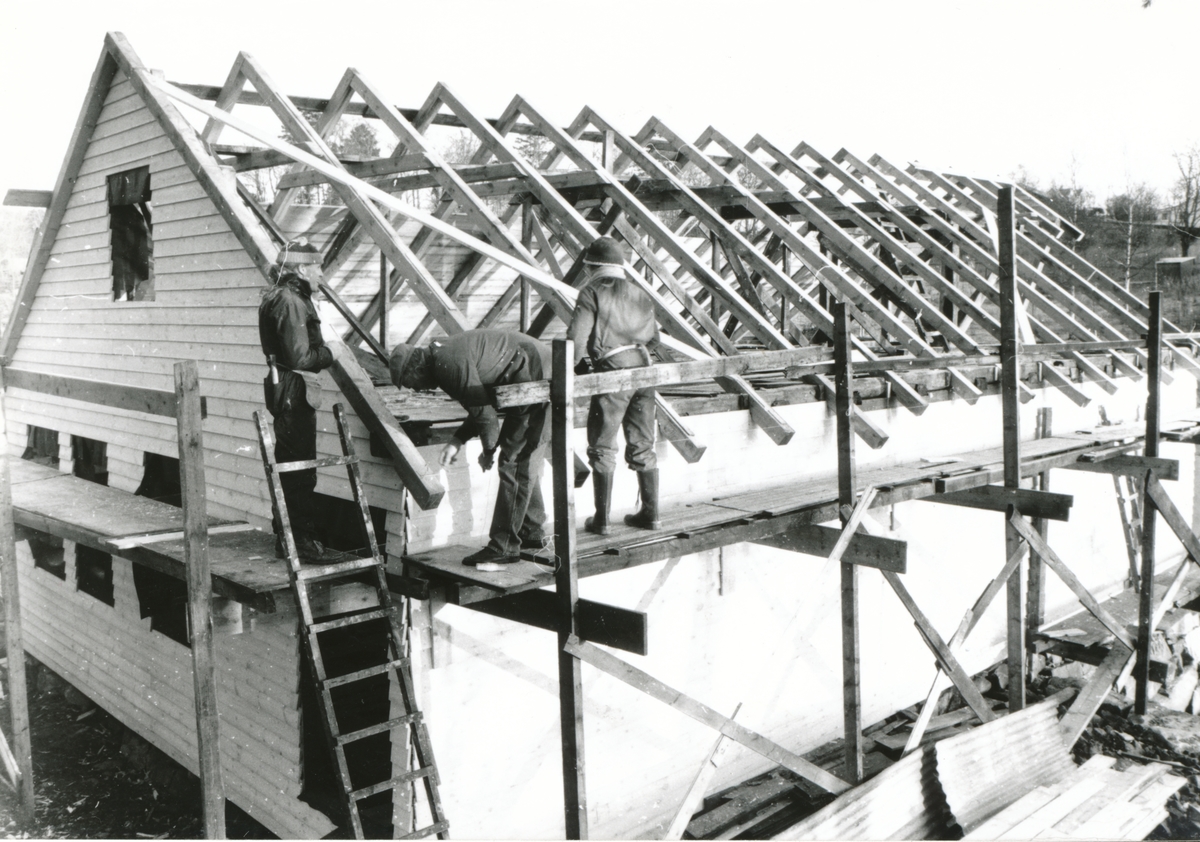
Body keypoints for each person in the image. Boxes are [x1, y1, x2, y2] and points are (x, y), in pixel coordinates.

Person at [389, 330, 552, 567]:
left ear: (416, 368)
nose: (416, 390)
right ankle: (531, 529)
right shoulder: (442, 354)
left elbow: (486, 417)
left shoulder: (447, 365)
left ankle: (504, 546)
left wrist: (488, 452)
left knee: (513, 463)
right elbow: (480, 404)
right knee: (521, 460)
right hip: (534, 372)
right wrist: (457, 441)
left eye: (410, 384)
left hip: (537, 378)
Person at [568, 237, 662, 535]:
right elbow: (655, 340)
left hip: (614, 372)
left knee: (602, 444)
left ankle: (603, 521)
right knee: (643, 442)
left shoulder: (592, 291)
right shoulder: (640, 292)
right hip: (645, 370)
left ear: (592, 266)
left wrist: (581, 369)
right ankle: (651, 515)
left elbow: (575, 342)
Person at [258, 240, 341, 564]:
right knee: (299, 469)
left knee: (293, 466)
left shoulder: (281, 296)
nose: (322, 274)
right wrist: (331, 352)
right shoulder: (291, 301)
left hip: (289, 388)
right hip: (294, 388)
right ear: (302, 269)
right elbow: (300, 356)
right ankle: (299, 543)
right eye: (318, 267)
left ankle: (288, 539)